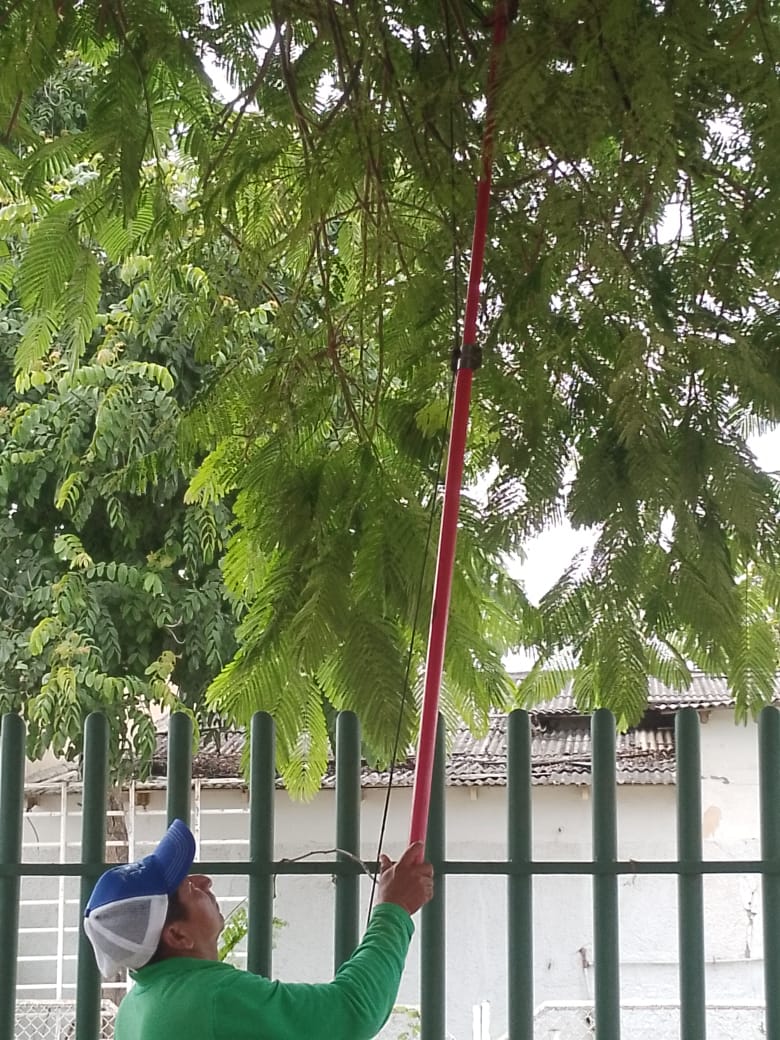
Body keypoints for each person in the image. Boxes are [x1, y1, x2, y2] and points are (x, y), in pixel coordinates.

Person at [83, 818, 434, 1040]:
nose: (204, 881)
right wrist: (394, 908)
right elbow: (351, 1012)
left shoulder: (133, 1010)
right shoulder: (214, 996)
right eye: (188, 887)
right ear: (177, 936)